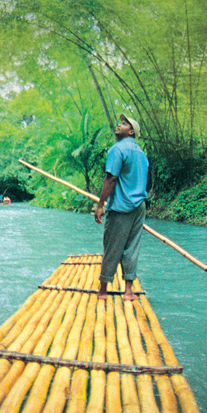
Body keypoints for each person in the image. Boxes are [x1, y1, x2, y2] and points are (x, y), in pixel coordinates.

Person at [94, 113, 149, 301]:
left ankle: (103, 290)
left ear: (131, 131)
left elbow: (111, 178)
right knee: (132, 248)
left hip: (120, 207)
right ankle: (128, 291)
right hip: (139, 206)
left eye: (125, 124)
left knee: (112, 246)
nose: (119, 124)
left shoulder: (117, 150)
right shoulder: (141, 154)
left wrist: (100, 205)